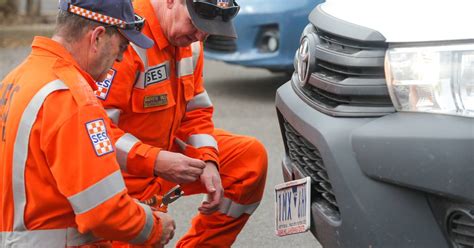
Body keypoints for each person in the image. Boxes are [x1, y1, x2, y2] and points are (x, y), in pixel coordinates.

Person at [0, 0, 176, 246]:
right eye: (122, 47)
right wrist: (154, 227)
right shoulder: (74, 99)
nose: (120, 59)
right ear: (97, 37)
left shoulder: (18, 78)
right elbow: (104, 211)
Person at [97, 0, 268, 246]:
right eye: (195, 23)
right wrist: (154, 160)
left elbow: (196, 110)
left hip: (162, 160)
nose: (200, 35)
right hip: (119, 176)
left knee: (248, 159)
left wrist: (208, 159)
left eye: (208, 29)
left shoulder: (191, 42)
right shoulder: (126, 36)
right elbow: (95, 133)